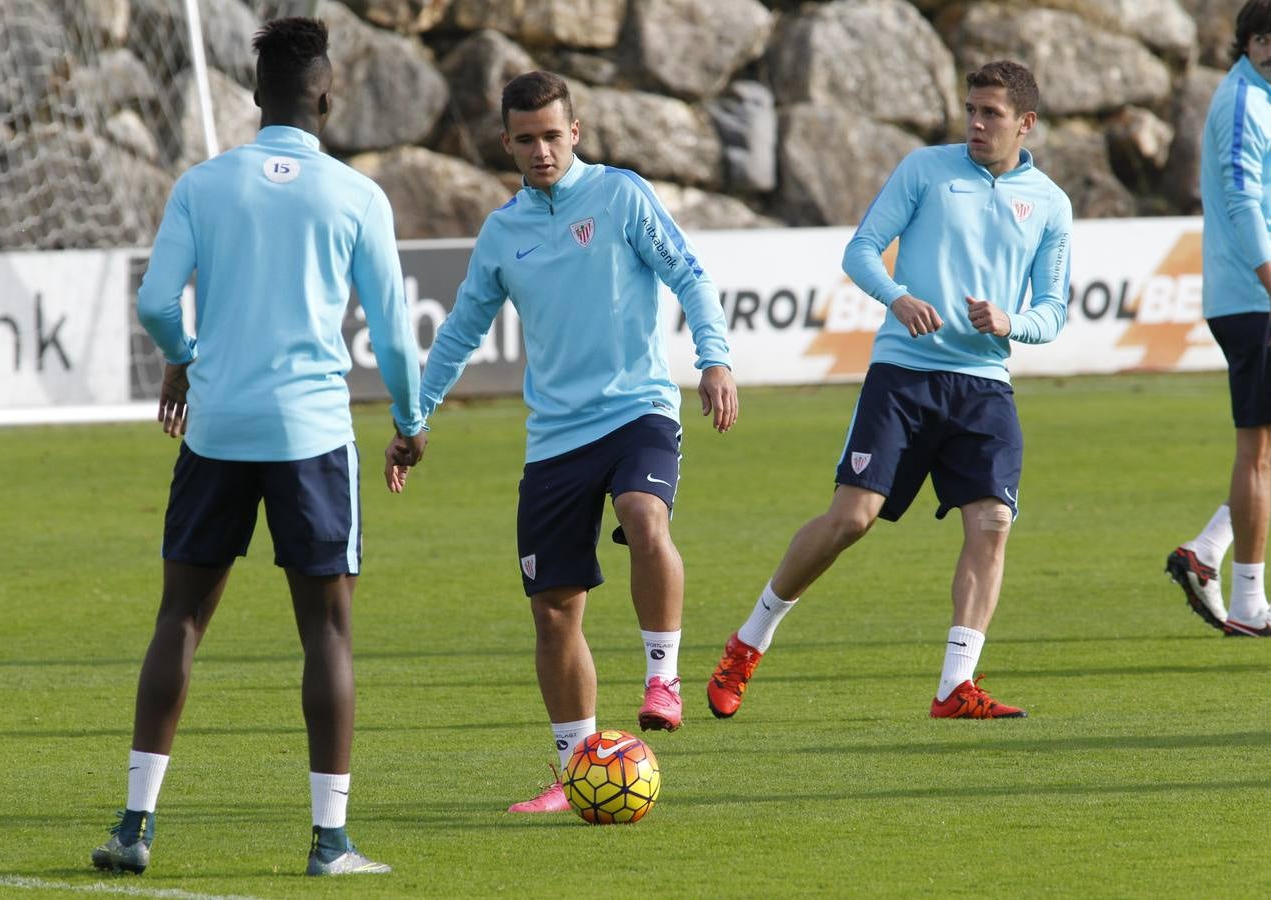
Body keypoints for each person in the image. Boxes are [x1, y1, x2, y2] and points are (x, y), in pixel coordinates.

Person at [90, 17, 426, 878]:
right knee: (327, 632)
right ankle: (330, 842)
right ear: (325, 92)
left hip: (219, 426)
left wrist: (184, 362)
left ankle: (133, 827)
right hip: (310, 433)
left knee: (181, 619)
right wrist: (411, 420)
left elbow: (159, 302)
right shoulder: (355, 195)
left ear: (253, 96)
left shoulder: (204, 184)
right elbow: (392, 334)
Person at [405, 70, 736, 813]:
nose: (542, 150)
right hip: (555, 435)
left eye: (553, 135)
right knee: (554, 609)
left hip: (638, 409)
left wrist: (713, 357)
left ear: (575, 133)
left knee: (645, 518)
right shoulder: (502, 232)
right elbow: (460, 330)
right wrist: (417, 414)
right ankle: (573, 773)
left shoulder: (620, 196)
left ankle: (663, 676)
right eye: (526, 139)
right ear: (508, 144)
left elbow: (689, 275)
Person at [705, 60, 1071, 721]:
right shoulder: (925, 170)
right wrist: (898, 298)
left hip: (985, 383)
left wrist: (1012, 322)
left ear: (1026, 124)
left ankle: (954, 686)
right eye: (971, 110)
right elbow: (861, 251)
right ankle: (747, 643)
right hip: (902, 376)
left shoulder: (1049, 203)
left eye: (991, 114)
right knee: (851, 520)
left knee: (992, 522)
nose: (977, 124)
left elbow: (1053, 309)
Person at [1165, 0, 1271, 638]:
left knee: (1266, 453)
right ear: (1249, 44)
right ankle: (1250, 601)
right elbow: (1239, 193)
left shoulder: (1261, 96)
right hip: (1254, 299)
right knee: (1256, 452)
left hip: (1254, 296)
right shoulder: (1242, 101)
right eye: (1264, 38)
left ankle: (1207, 550)